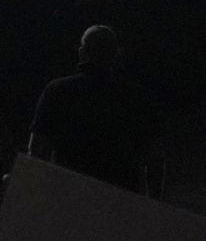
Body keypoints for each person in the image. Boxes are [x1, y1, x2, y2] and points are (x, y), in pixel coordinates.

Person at [29, 25, 159, 192]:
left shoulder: (57, 91)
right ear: (116, 55)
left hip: (70, 193)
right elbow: (154, 156)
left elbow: (38, 149)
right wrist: (154, 200)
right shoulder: (135, 96)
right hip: (123, 197)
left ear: (82, 52)